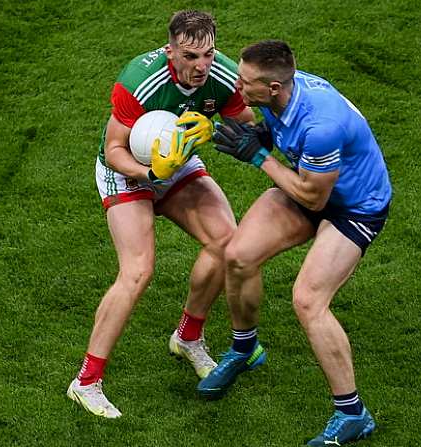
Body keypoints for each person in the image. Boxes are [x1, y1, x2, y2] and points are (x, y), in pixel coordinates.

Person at [197, 40, 391, 446]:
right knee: (238, 256)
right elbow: (278, 134)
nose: (238, 84)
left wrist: (258, 156)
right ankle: (245, 349)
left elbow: (312, 198)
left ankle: (353, 414)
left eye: (245, 81)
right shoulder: (279, 92)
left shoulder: (321, 126)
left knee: (308, 300)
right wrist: (259, 134)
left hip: (353, 208)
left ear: (272, 88)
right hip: (311, 185)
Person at [67, 10, 255, 418]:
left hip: (176, 163)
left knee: (228, 242)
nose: (200, 66)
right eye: (189, 56)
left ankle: (188, 337)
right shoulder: (139, 80)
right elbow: (115, 149)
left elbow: (248, 125)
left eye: (207, 54)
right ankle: (85, 382)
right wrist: (151, 173)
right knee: (137, 271)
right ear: (170, 50)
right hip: (127, 173)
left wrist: (218, 131)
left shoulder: (222, 76)